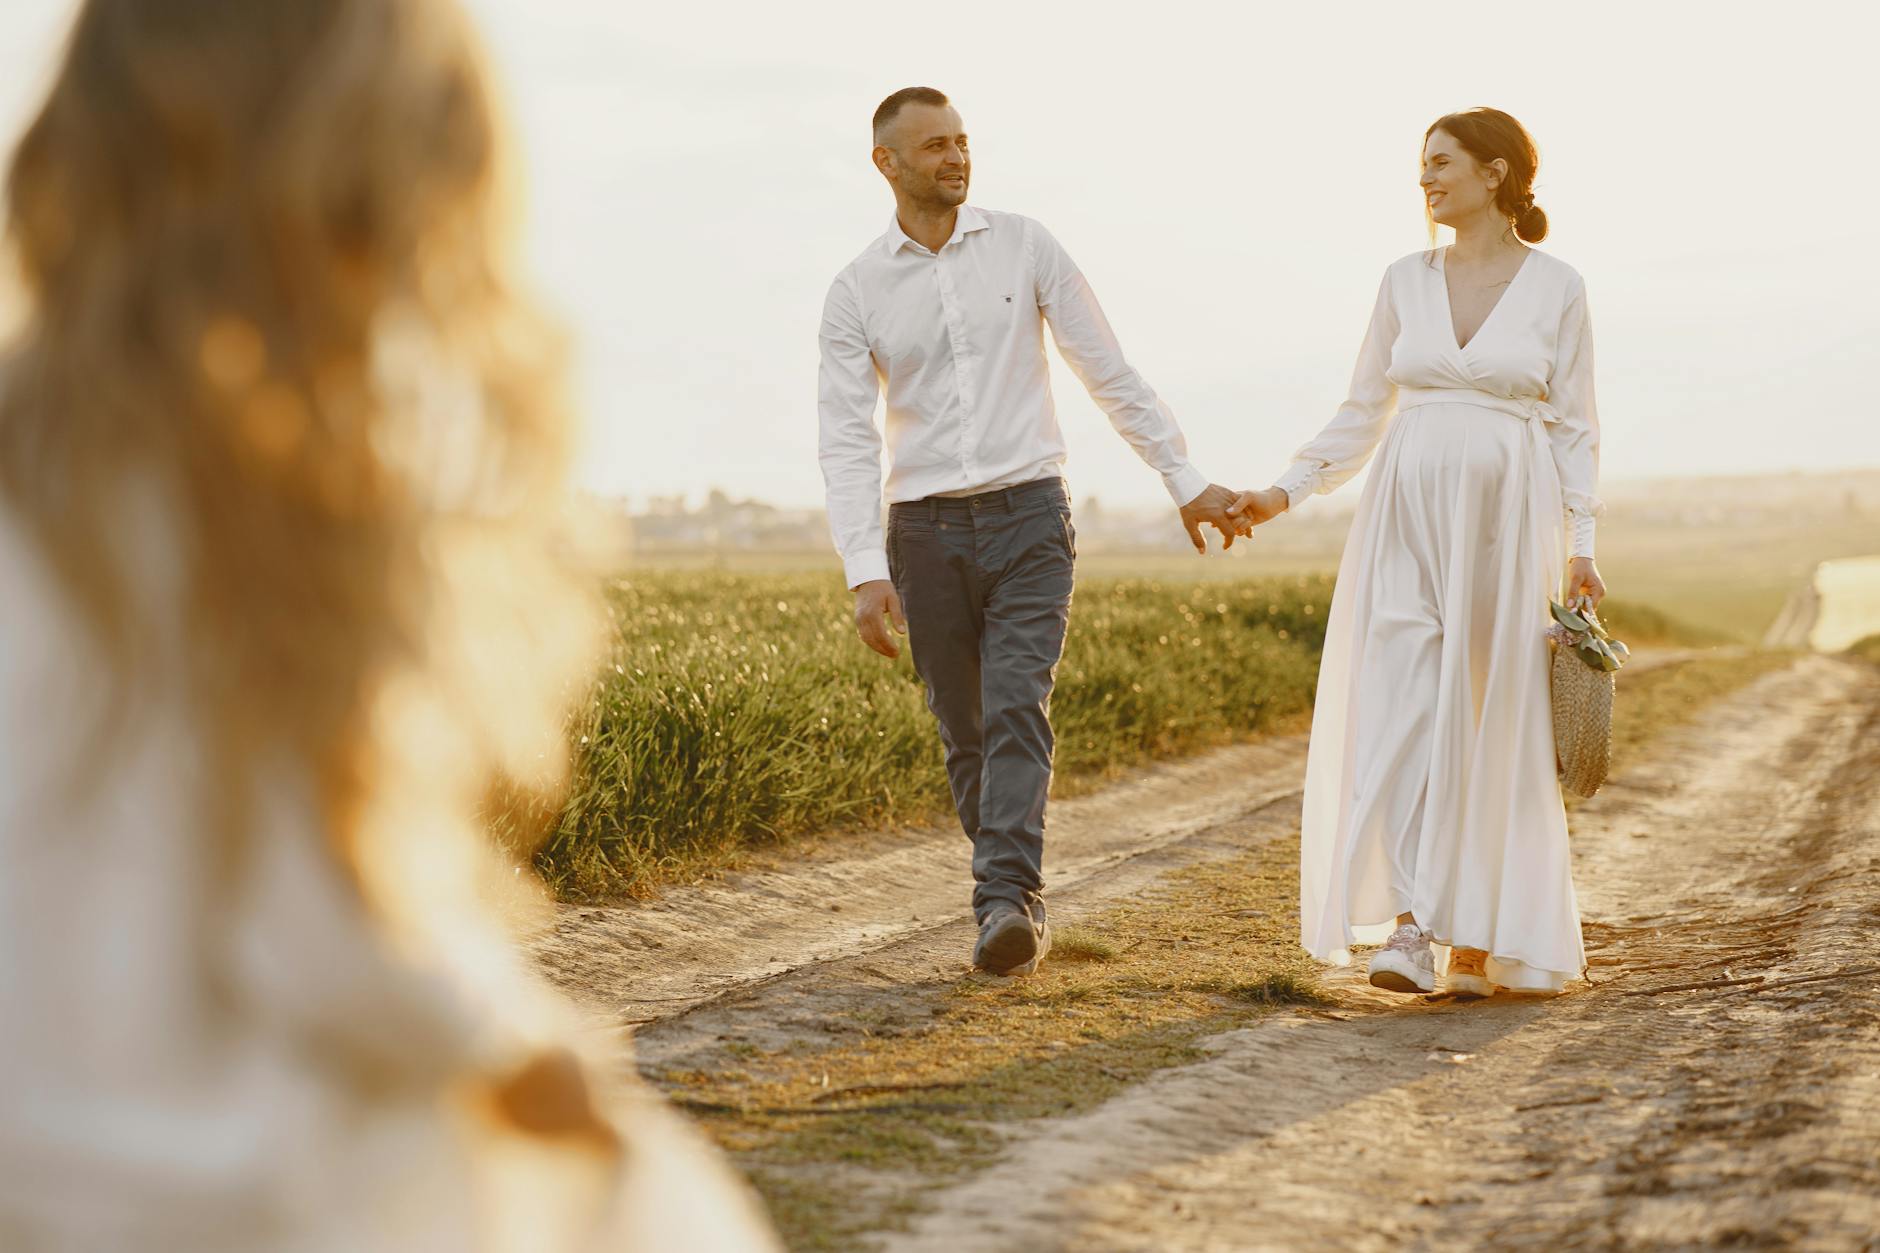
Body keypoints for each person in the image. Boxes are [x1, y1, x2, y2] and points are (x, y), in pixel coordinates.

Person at [0, 2, 776, 1248]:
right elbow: (322, 931)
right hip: (203, 1190)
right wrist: (526, 1051)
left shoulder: (43, 463)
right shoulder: (257, 503)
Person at [818, 86, 1248, 976]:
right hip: (924, 534)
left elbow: (1108, 370)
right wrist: (865, 567)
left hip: (1029, 517)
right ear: (886, 163)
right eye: (934, 145)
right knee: (963, 727)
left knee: (1018, 704)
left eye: (963, 141)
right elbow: (845, 439)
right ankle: (1009, 890)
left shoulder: (1026, 244)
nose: (956, 158)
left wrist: (1184, 479)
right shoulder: (856, 289)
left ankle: (1005, 902)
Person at [1230, 108, 1604, 998]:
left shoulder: (1558, 286)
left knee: (1490, 717)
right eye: (1422, 166)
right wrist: (1284, 490)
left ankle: (1475, 929)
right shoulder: (1404, 279)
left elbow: (1576, 425)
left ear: (1497, 173)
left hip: (1510, 519)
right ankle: (1408, 925)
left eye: (1442, 164)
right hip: (1404, 512)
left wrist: (1583, 548)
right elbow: (1364, 410)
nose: (1427, 180)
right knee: (1402, 708)